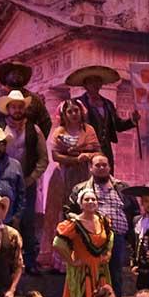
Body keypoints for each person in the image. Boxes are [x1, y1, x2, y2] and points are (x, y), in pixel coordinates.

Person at [42, 99, 101, 273]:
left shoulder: (88, 130)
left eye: (76, 110)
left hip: (84, 174)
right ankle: (60, 260)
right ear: (64, 115)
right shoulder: (59, 132)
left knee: (83, 211)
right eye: (70, 111)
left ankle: (84, 256)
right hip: (63, 176)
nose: (74, 114)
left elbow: (97, 151)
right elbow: (55, 156)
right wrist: (74, 159)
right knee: (62, 213)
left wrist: (86, 156)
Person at [69, 155, 136, 297]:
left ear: (109, 167)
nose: (101, 168)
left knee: (115, 274)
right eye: (97, 165)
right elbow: (69, 211)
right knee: (94, 274)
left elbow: (134, 211)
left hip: (117, 237)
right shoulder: (81, 189)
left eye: (104, 165)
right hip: (92, 237)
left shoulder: (122, 187)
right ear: (91, 168)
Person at [0, 89, 50, 273]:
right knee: (5, 221)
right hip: (4, 183)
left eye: (20, 107)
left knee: (28, 221)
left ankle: (30, 261)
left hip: (27, 182)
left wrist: (32, 178)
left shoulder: (34, 130)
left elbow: (43, 158)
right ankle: (7, 261)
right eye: (14, 107)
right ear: (8, 109)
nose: (17, 110)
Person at [53, 187, 113, 297]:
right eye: (87, 199)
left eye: (93, 199)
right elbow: (58, 243)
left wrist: (108, 252)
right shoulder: (74, 224)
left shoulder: (103, 221)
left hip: (100, 270)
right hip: (82, 270)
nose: (91, 202)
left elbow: (110, 236)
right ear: (81, 204)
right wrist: (71, 261)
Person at [69, 65, 139, 168]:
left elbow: (118, 125)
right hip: (85, 150)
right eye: (91, 82)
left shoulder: (108, 104)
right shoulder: (76, 103)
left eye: (97, 81)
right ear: (85, 85)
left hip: (105, 151)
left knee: (106, 175)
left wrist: (132, 120)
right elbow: (69, 127)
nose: (95, 84)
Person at [0, 62, 53, 147]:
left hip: (27, 149)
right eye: (13, 72)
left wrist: (37, 142)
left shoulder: (34, 99)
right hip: (0, 148)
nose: (17, 75)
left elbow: (46, 121)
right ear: (6, 76)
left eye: (20, 73)